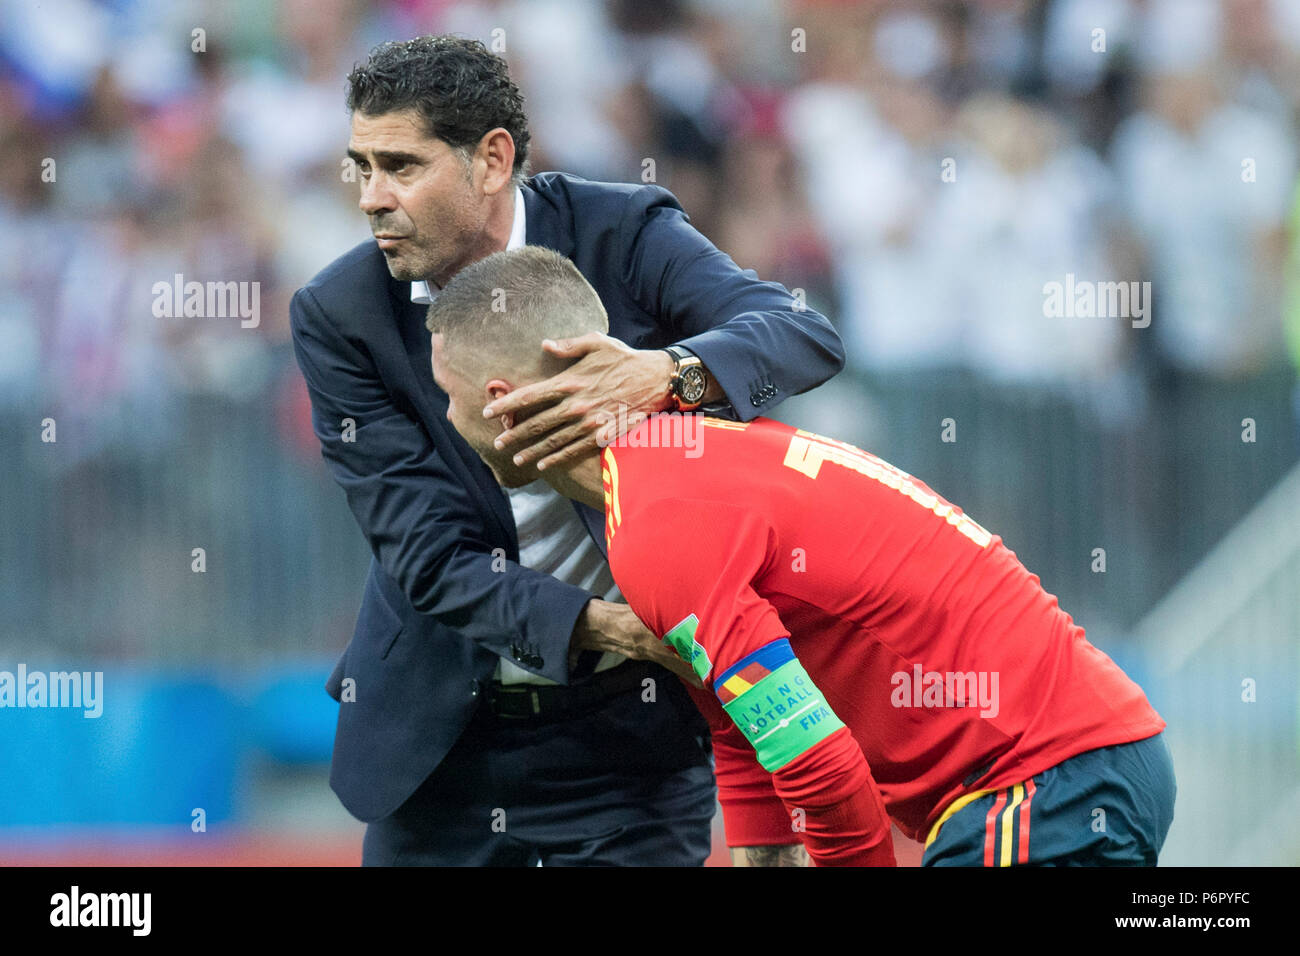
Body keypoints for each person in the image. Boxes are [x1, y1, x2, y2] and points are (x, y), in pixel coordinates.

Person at [427, 245, 1178, 867]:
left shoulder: (660, 527)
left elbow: (821, 765)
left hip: (1043, 784)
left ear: (502, 400)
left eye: (449, 397)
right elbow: (743, 716)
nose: (446, 418)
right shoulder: (692, 461)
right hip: (1075, 770)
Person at [289, 35, 846, 865]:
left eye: (400, 166)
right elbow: (426, 555)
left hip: (635, 745)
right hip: (443, 754)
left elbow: (802, 337)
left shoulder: (621, 230)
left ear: (491, 159)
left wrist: (666, 375)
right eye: (360, 166)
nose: (371, 197)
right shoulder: (343, 314)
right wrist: (608, 626)